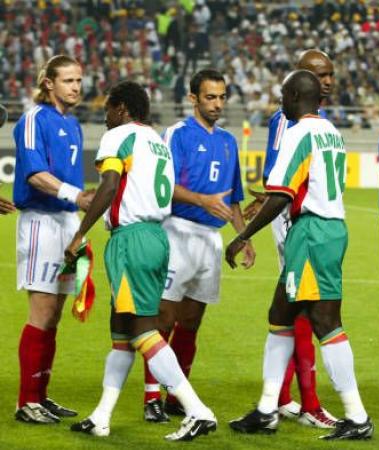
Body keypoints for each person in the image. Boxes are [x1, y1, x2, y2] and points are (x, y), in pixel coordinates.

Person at [65, 81, 216, 441]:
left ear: (121, 108)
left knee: (143, 329)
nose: (105, 116)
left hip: (131, 240)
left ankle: (197, 410)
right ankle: (101, 416)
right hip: (155, 237)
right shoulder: (156, 142)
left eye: (107, 109)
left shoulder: (120, 136)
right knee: (121, 333)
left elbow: (110, 183)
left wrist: (80, 233)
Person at [227, 69, 373, 440]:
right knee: (280, 314)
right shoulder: (329, 132)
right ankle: (265, 409)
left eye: (282, 94)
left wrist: (243, 234)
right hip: (327, 230)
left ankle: (357, 417)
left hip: (312, 232)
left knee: (325, 322)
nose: (279, 101)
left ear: (294, 95)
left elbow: (281, 195)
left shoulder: (299, 133)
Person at [140, 69, 255, 423]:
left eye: (222, 97)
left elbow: (234, 198)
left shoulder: (228, 141)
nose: (217, 104)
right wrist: (202, 199)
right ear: (193, 99)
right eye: (210, 97)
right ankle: (152, 397)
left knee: (192, 320)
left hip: (211, 239)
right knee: (164, 317)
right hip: (178, 231)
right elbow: (164, 185)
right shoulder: (176, 134)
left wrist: (243, 237)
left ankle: (178, 394)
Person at [243, 49, 338, 428]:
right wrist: (271, 199)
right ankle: (308, 403)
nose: (327, 80)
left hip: (304, 219)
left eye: (330, 73)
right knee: (303, 306)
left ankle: (280, 398)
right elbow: (283, 174)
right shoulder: (288, 121)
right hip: (293, 219)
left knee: (290, 306)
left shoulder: (316, 120)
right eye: (320, 74)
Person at [12, 54, 94, 424]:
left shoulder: (73, 123)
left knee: (56, 314)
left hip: (66, 222)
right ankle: (26, 400)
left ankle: (41, 395)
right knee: (41, 313)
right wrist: (75, 196)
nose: (76, 87)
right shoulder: (33, 119)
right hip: (41, 223)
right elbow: (33, 173)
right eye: (68, 81)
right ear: (49, 83)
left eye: (79, 80)